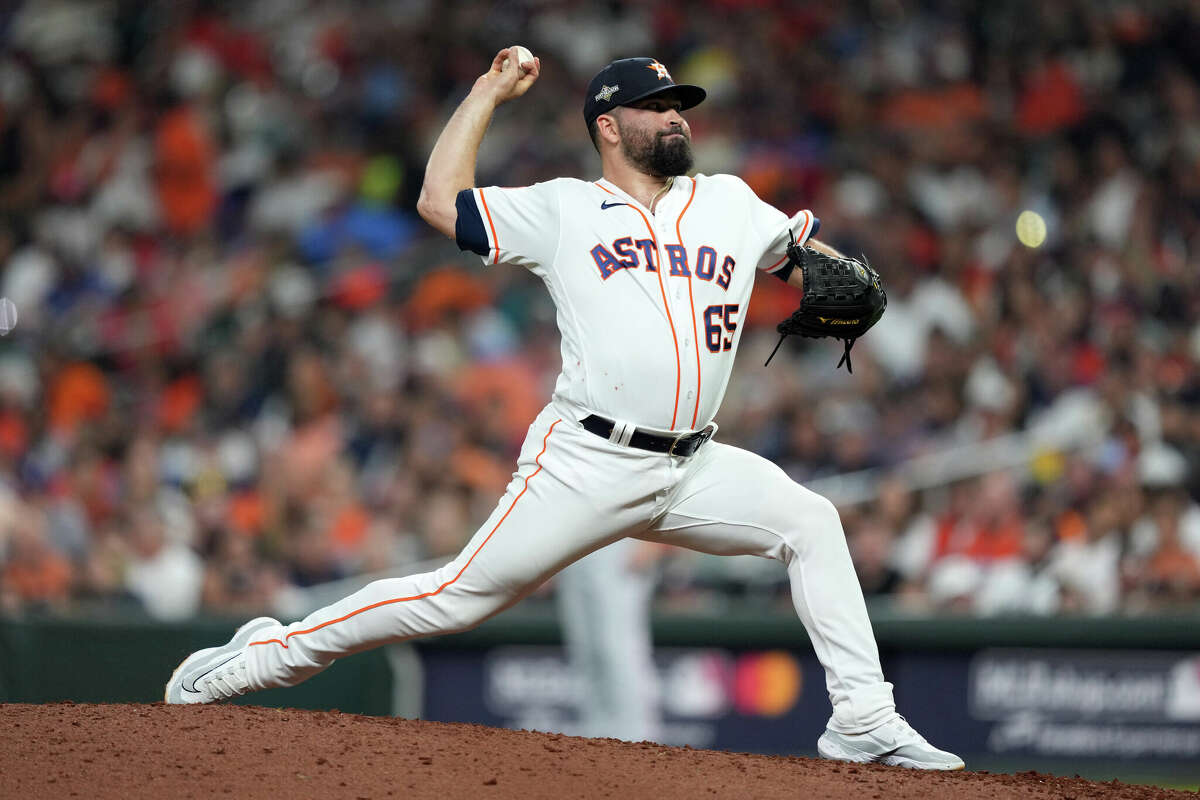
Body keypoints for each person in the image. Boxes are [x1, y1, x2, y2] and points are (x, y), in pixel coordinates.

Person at [165, 49, 964, 771]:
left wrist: (835, 270)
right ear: (610, 128)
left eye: (680, 103)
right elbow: (440, 201)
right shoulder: (563, 210)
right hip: (588, 460)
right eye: (658, 106)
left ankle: (863, 718)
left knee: (811, 522)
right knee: (453, 599)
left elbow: (807, 259)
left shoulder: (728, 200)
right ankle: (269, 652)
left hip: (692, 464)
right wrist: (485, 92)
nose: (677, 116)